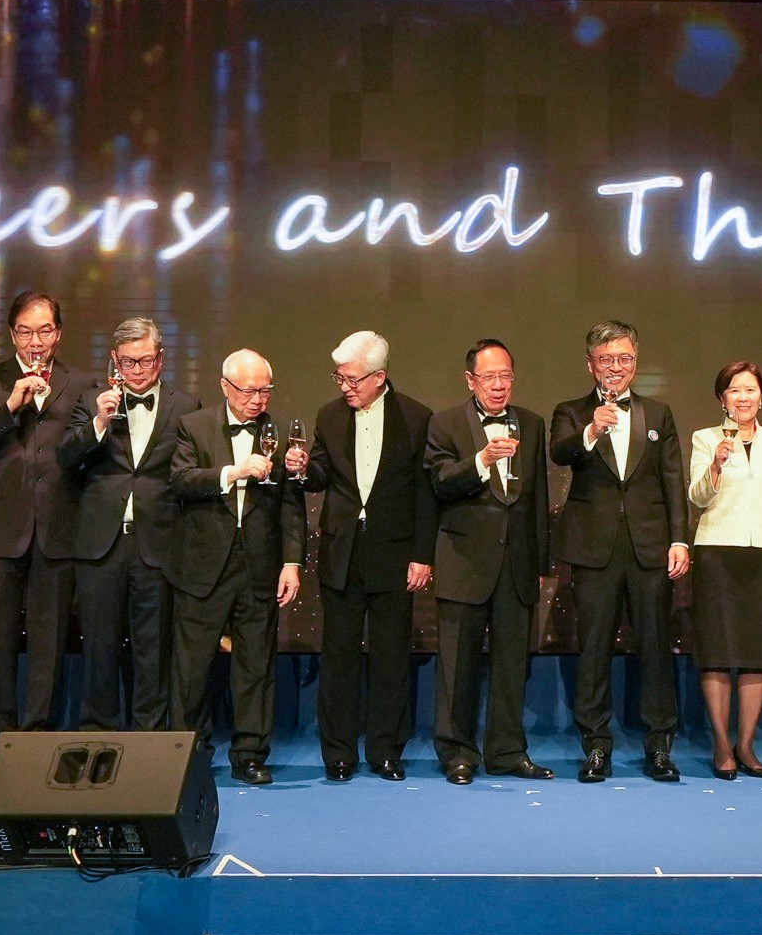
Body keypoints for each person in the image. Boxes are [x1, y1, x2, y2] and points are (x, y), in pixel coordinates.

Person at [548, 321, 691, 784]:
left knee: (655, 648)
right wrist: (592, 428)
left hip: (650, 548)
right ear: (590, 363)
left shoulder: (659, 412)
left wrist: (678, 538)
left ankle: (660, 746)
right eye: (607, 360)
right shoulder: (571, 411)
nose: (616, 368)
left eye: (625, 359)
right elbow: (561, 453)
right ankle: (595, 746)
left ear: (636, 362)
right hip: (594, 550)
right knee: (593, 651)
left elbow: (672, 478)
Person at [163, 349, 309, 784]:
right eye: (249, 390)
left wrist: (291, 562)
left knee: (255, 665)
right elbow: (181, 480)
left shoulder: (282, 431)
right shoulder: (194, 425)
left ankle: (250, 753)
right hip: (202, 565)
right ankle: (186, 752)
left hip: (260, 564)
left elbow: (291, 504)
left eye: (265, 389)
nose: (258, 399)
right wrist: (232, 471)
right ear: (225, 387)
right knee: (191, 668)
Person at [299, 331, 436, 781]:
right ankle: (338, 753)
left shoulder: (416, 418)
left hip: (394, 555)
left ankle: (386, 751)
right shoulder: (329, 415)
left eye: (352, 378)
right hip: (342, 551)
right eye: (339, 377)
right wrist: (303, 471)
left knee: (391, 656)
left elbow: (424, 494)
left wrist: (421, 555)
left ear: (380, 377)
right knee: (337, 657)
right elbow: (320, 475)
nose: (344, 386)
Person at [46, 317, 193, 730]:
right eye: (128, 362)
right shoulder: (92, 400)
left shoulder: (185, 406)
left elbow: (187, 475)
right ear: (114, 361)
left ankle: (150, 738)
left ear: (161, 360)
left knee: (153, 648)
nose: (138, 370)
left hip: (158, 543)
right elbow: (64, 458)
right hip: (100, 544)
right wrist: (98, 423)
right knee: (98, 646)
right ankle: (98, 732)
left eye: (145, 360)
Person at [425, 340, 556, 784]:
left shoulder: (533, 424)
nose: (499, 386)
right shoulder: (444, 423)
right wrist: (481, 460)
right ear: (470, 380)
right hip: (464, 562)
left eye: (506, 376)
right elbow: (441, 482)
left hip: (517, 566)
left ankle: (507, 752)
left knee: (511, 666)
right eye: (489, 377)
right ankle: (457, 754)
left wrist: (540, 565)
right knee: (457, 667)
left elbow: (537, 498)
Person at [0, 290, 78, 729]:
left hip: (57, 529)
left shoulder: (80, 383)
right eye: (26, 331)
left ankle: (38, 735)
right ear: (12, 334)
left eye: (45, 330)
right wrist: (10, 405)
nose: (35, 340)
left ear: (58, 334)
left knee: (50, 641)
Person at [687, 361, 762, 780]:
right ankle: (721, 745)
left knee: (755, 657)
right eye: (734, 390)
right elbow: (697, 498)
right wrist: (716, 465)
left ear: (761, 396)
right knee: (717, 654)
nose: (743, 397)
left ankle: (747, 745)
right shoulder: (705, 438)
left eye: (750, 390)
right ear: (722, 398)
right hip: (717, 554)